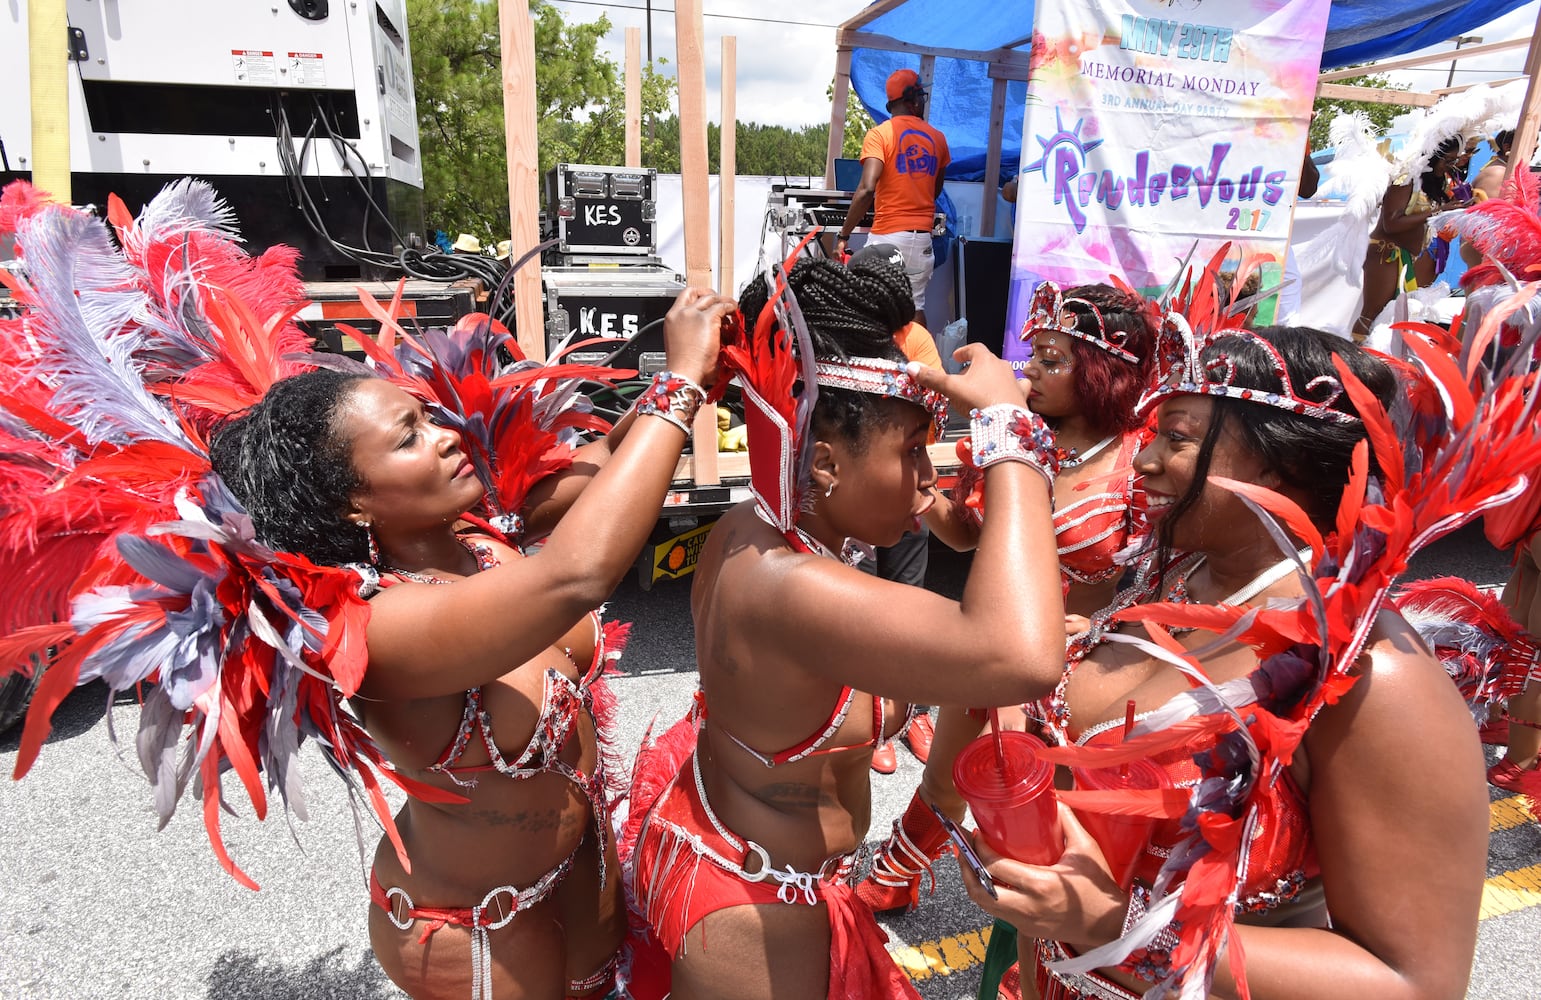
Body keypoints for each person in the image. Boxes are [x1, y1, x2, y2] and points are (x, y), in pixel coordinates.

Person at [210, 290, 734, 999]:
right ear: (353, 504)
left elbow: (611, 456)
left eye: (425, 417)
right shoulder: (375, 629)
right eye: (408, 438)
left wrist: (699, 381)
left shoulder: (478, 531)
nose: (446, 435)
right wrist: (677, 379)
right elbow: (575, 576)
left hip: (581, 877)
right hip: (477, 927)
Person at [968, 323, 1494, 1000]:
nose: (1143, 461)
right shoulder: (1173, 581)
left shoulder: (1367, 672)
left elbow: (1413, 981)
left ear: (1282, 469)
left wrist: (1113, 924)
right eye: (1151, 435)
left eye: (1177, 439)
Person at [625, 257, 1067, 1000]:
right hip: (756, 915)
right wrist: (1006, 430)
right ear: (824, 462)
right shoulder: (793, 586)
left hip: (730, 856)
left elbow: (958, 539)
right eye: (912, 453)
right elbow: (1021, 656)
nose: (929, 480)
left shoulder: (762, 527)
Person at [856, 280, 1157, 916]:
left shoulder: (1141, 462)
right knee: (949, 778)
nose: (1033, 374)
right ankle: (896, 872)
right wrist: (922, 495)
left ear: (1103, 371)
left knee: (1055, 819)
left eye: (1054, 360)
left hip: (1083, 669)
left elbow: (1174, 572)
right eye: (1034, 357)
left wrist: (1114, 619)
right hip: (994, 645)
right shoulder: (1013, 438)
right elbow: (966, 537)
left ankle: (1050, 946)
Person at [846, 241, 945, 773]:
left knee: (907, 602)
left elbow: (926, 416)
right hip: (852, 503)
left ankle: (912, 714)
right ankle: (872, 719)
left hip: (908, 493)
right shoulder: (839, 331)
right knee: (858, 607)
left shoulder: (917, 338)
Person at [836, 69, 951, 314]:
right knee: (915, 306)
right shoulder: (938, 138)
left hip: (888, 237)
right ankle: (923, 354)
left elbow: (867, 188)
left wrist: (843, 234)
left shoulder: (880, 135)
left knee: (873, 309)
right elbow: (935, 189)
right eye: (921, 95)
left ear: (891, 104)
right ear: (914, 100)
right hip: (922, 239)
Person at [1356, 137, 1472, 339]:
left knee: (1393, 315)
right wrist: (1440, 211)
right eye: (1448, 160)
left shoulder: (1434, 183)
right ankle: (1353, 359)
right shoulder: (1406, 178)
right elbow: (1391, 224)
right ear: (1433, 156)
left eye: (1455, 161)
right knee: (1372, 314)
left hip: (1408, 257)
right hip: (1386, 252)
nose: (1451, 166)